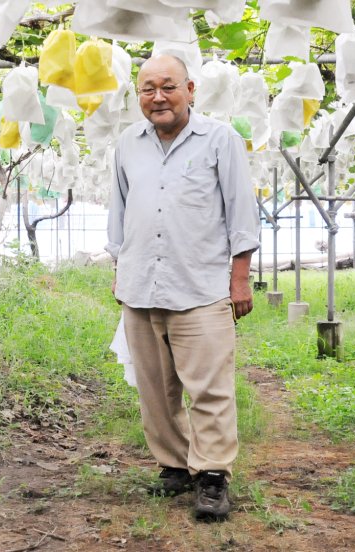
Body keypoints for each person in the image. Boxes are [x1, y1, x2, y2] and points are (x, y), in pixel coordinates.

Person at [105, 54, 260, 522]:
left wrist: (239, 278)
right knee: (155, 388)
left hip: (200, 285)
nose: (158, 97)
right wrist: (120, 267)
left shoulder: (220, 139)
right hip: (140, 285)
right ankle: (174, 466)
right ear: (139, 97)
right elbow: (121, 210)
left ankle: (212, 476)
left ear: (191, 90)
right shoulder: (127, 145)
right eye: (148, 89)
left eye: (168, 87)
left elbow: (241, 213)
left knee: (209, 388)